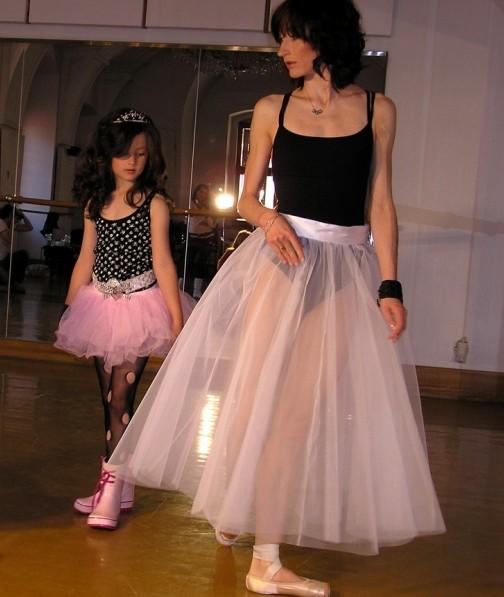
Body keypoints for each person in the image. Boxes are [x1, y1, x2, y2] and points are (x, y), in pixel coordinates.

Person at [111, 2, 445, 595]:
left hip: (345, 271)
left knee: (296, 412)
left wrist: (390, 285)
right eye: (280, 39)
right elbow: (246, 199)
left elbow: (380, 202)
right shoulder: (273, 108)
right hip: (283, 264)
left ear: (323, 36)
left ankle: (258, 544)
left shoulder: (378, 110)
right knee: (255, 399)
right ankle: (254, 539)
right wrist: (268, 220)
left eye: (291, 37)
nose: (282, 49)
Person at [55, 107, 194, 531]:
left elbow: (164, 262)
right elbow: (86, 257)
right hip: (100, 306)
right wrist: (70, 307)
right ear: (107, 156)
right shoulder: (95, 204)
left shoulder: (155, 204)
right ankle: (120, 482)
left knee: (121, 400)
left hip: (141, 307)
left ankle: (112, 487)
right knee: (109, 401)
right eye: (124, 154)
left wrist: (176, 319)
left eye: (140, 153)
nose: (132, 162)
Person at [187, 183, 219, 297]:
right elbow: (194, 222)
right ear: (196, 193)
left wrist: (205, 219)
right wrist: (203, 220)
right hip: (193, 237)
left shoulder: (209, 207)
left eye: (206, 193)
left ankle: (197, 289)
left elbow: (212, 224)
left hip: (206, 238)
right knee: (187, 262)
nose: (203, 195)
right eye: (201, 192)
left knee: (201, 263)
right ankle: (181, 286)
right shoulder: (190, 204)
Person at [0, 203, 33, 293]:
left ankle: (13, 284)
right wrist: (12, 226)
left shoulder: (8, 225)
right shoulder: (1, 222)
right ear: (10, 215)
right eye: (14, 216)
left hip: (4, 258)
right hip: (1, 260)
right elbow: (8, 239)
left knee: (23, 254)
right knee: (19, 257)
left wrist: (23, 215)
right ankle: (12, 285)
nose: (16, 219)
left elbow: (30, 227)